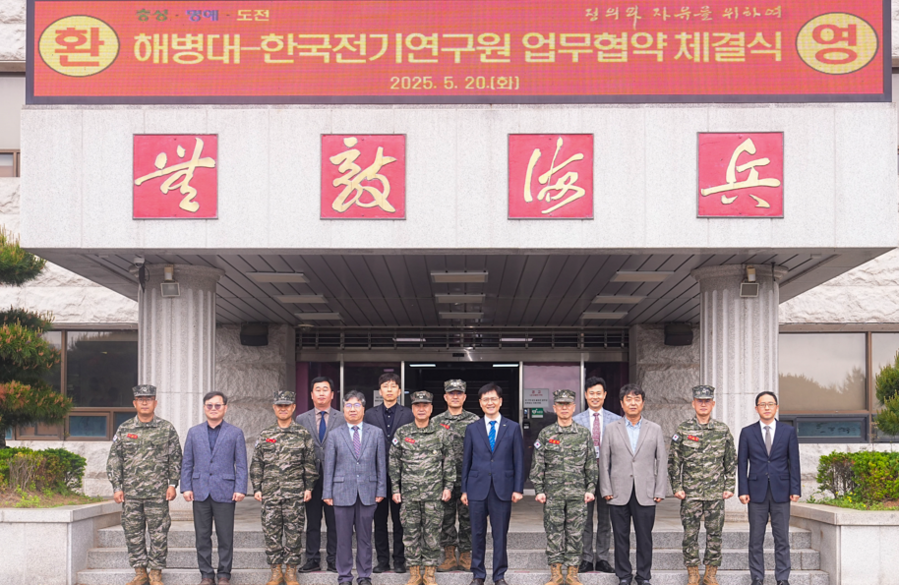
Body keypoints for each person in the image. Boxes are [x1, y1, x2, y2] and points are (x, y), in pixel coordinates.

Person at [106, 384, 182, 585]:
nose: (145, 403)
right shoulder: (124, 429)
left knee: (159, 534)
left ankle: (156, 573)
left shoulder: (166, 429)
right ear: (135, 403)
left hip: (158, 494)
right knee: (133, 533)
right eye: (141, 399)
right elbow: (115, 459)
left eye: (149, 399)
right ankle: (140, 572)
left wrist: (173, 484)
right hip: (131, 494)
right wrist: (117, 487)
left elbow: (175, 458)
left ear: (155, 403)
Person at [667, 385, 736, 585]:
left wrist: (729, 486)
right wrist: (677, 487)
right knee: (690, 534)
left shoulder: (722, 430)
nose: (703, 404)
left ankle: (710, 574)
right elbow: (674, 461)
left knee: (715, 534)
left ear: (713, 404)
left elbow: (731, 460)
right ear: (693, 404)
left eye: (707, 401)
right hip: (691, 494)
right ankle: (693, 573)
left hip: (715, 493)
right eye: (699, 401)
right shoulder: (683, 429)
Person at [599, 383, 666, 585]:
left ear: (643, 403)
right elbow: (604, 461)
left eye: (637, 399)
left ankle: (643, 576)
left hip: (646, 492)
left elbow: (662, 461)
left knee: (645, 537)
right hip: (618, 492)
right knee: (621, 537)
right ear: (622, 404)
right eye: (628, 399)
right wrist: (606, 489)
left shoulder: (654, 429)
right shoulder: (611, 429)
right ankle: (624, 575)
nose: (633, 403)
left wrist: (660, 490)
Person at [251, 390, 318, 585]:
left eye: (286, 405)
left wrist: (309, 487)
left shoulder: (302, 434)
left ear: (293, 407)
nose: (283, 409)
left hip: (295, 493)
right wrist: (257, 487)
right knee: (271, 533)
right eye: (279, 405)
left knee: (293, 533)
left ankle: (290, 571)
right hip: (270, 493)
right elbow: (257, 463)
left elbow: (310, 463)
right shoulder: (266, 434)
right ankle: (276, 571)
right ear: (274, 408)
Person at [530, 389, 597, 585]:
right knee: (554, 533)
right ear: (555, 407)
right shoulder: (546, 434)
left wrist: (590, 489)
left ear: (574, 407)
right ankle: (556, 573)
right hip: (553, 495)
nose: (564, 408)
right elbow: (538, 464)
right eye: (561, 404)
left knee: (575, 534)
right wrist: (539, 490)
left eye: (568, 404)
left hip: (577, 494)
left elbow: (591, 464)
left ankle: (572, 574)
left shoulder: (583, 434)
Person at [181, 391, 248, 585]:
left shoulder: (235, 433)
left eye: (218, 405)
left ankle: (224, 574)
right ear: (204, 408)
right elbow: (187, 462)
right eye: (209, 405)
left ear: (225, 408)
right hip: (200, 490)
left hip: (225, 491)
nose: (213, 409)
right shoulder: (194, 432)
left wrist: (240, 488)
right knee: (202, 536)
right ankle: (206, 575)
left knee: (225, 536)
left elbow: (241, 464)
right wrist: (186, 487)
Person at [461, 383, 525, 585]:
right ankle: (478, 574)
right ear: (480, 403)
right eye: (486, 399)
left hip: (502, 488)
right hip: (476, 488)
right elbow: (466, 461)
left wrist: (518, 488)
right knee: (477, 534)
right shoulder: (472, 429)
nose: (490, 403)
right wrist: (464, 489)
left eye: (493, 399)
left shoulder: (512, 427)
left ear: (500, 401)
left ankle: (499, 575)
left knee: (500, 535)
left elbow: (519, 460)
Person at [389, 391, 455, 585]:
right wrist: (395, 489)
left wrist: (448, 487)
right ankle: (415, 573)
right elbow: (394, 462)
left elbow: (449, 462)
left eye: (425, 405)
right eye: (417, 405)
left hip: (434, 496)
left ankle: (430, 573)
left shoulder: (441, 433)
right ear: (412, 409)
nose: (421, 409)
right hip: (409, 495)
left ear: (431, 408)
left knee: (432, 534)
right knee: (410, 534)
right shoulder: (402, 433)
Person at [322, 391, 387, 585]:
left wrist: (381, 490)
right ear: (343, 409)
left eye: (356, 405)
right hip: (341, 492)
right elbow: (329, 466)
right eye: (348, 405)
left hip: (368, 492)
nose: (352, 409)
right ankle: (344, 576)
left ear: (363, 409)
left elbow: (381, 464)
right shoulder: (334, 435)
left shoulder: (376, 433)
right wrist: (327, 492)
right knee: (343, 538)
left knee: (365, 538)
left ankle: (364, 576)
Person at [738, 391, 800, 585]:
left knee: (782, 538)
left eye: (770, 404)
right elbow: (742, 463)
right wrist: (742, 490)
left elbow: (794, 462)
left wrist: (795, 489)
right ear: (756, 408)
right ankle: (757, 577)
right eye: (762, 404)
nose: (766, 407)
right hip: (756, 492)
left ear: (776, 407)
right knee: (756, 538)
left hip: (782, 491)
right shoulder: (747, 432)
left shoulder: (788, 431)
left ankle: (782, 578)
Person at [364, 372, 414, 573]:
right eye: (386, 386)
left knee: (400, 520)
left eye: (393, 386)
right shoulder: (369, 414)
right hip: (376, 476)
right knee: (379, 521)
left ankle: (400, 560)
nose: (390, 390)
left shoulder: (408, 414)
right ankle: (382, 560)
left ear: (399, 391)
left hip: (402, 475)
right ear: (380, 391)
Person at [295, 376, 345, 573]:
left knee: (334, 521)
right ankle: (312, 559)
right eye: (318, 389)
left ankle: (333, 559)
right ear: (311, 394)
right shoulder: (302, 419)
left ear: (332, 395)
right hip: (311, 477)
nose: (322, 393)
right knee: (312, 521)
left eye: (325, 389)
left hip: (335, 477)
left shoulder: (341, 418)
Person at [572, 376, 620, 575]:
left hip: (608, 475)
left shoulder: (616, 420)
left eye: (598, 393)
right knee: (584, 519)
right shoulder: (576, 421)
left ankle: (602, 558)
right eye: (591, 393)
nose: (595, 397)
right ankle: (585, 558)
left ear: (605, 395)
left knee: (605, 519)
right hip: (584, 476)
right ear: (585, 395)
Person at [432, 379, 480, 572]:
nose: (455, 397)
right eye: (451, 393)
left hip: (468, 478)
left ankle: (466, 554)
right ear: (445, 397)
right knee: (446, 518)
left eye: (458, 393)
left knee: (468, 519)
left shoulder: (475, 421)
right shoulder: (435, 422)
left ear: (464, 397)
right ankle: (450, 555)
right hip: (443, 480)